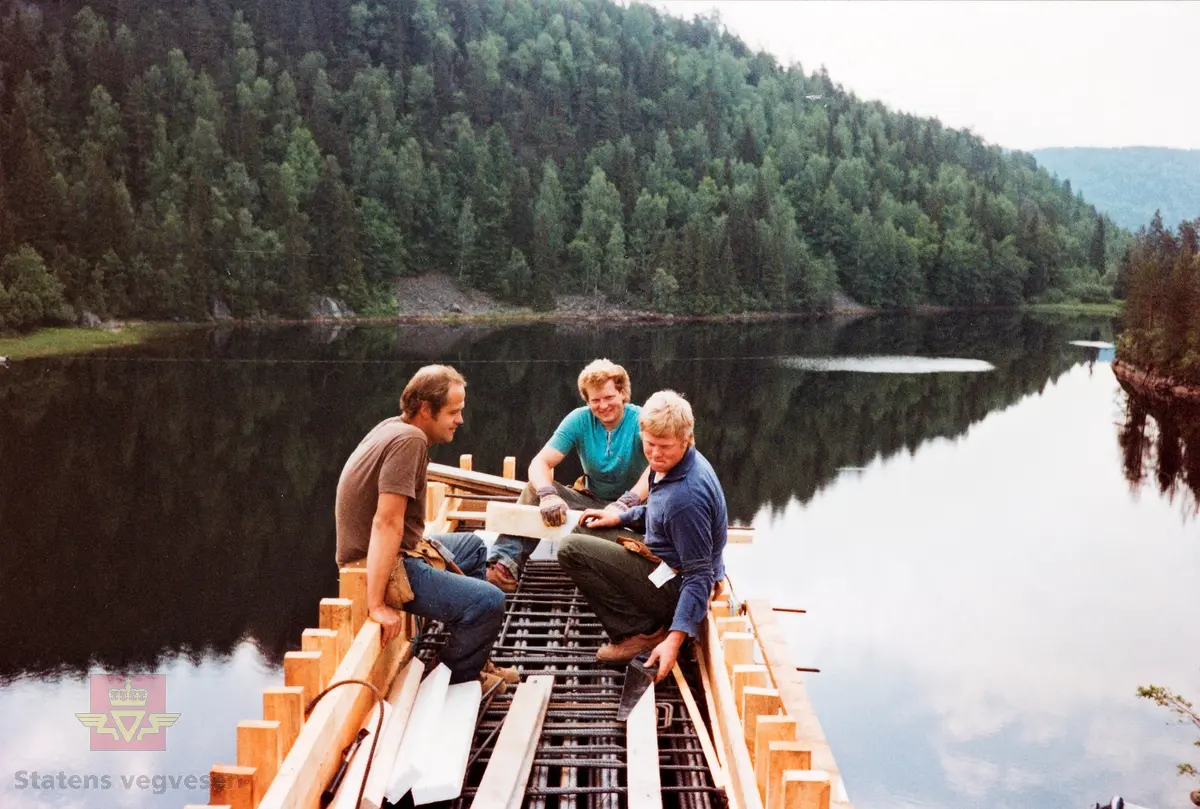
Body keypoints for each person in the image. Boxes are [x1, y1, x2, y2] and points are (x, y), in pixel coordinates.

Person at [335, 364, 517, 691]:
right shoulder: (410, 441)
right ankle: (454, 676)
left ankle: (474, 656)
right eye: (453, 412)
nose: (460, 420)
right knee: (489, 602)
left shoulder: (394, 427)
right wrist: (376, 604)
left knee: (474, 547)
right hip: (382, 562)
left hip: (396, 549)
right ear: (425, 409)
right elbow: (386, 521)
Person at [558, 390, 728, 678]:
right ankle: (643, 621)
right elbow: (657, 515)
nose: (655, 454)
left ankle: (641, 633)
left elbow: (699, 576)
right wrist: (619, 516)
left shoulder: (687, 498)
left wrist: (675, 639)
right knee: (584, 528)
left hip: (677, 585)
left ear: (686, 440)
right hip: (662, 561)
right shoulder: (668, 465)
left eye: (665, 446)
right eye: (649, 444)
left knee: (571, 550)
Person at [485, 358, 651, 593]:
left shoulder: (641, 420)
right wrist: (547, 495)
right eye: (595, 400)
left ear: (622, 393)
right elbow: (540, 462)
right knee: (534, 489)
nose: (603, 406)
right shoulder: (579, 420)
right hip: (592, 502)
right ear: (587, 401)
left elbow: (655, 467)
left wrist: (627, 502)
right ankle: (504, 566)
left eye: (609, 397)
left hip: (637, 509)